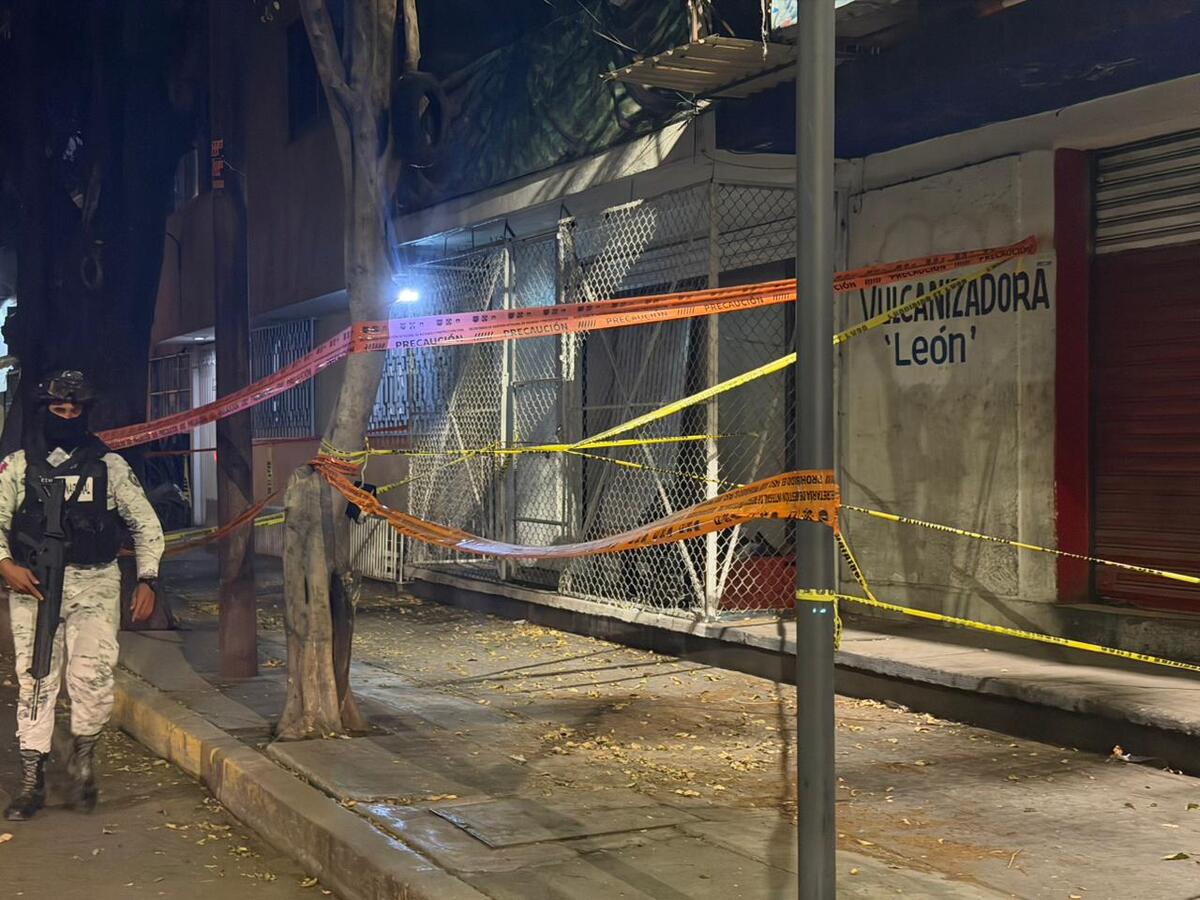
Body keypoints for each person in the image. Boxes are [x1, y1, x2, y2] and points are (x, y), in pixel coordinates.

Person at [0, 370, 164, 820]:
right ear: (44, 410)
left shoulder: (108, 466)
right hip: (34, 586)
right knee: (35, 679)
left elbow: (146, 526)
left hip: (95, 581)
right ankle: (32, 779)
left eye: (75, 409)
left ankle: (83, 759)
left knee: (92, 678)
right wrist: (5, 564)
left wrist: (147, 578)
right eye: (59, 408)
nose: (68, 414)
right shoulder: (18, 466)